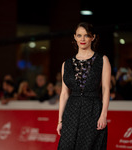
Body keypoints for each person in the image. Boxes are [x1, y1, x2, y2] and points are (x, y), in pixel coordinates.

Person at [57, 22, 111, 150]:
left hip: (93, 111)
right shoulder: (67, 64)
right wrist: (60, 120)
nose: (82, 39)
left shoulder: (102, 60)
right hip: (71, 112)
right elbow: (64, 94)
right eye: (79, 35)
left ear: (93, 37)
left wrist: (103, 115)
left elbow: (105, 89)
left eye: (86, 35)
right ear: (75, 37)